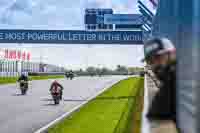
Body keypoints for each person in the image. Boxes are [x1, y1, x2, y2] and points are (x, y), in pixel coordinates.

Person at [142, 37, 176, 123]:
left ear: (172, 54)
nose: (155, 64)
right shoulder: (165, 89)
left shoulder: (180, 80)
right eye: (150, 61)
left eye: (158, 58)